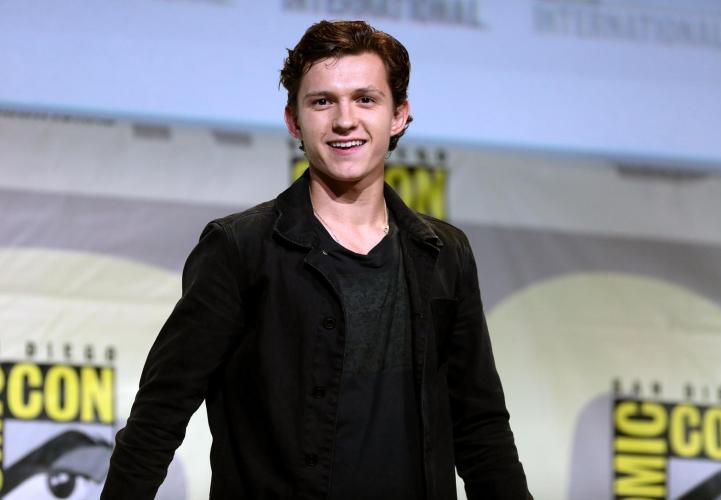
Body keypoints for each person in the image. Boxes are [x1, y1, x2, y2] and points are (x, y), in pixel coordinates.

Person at [101, 20, 531, 500]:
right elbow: (160, 414)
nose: (345, 120)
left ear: (399, 115)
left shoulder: (444, 253)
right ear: (294, 121)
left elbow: (481, 428)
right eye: (323, 101)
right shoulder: (240, 248)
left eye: (365, 99)